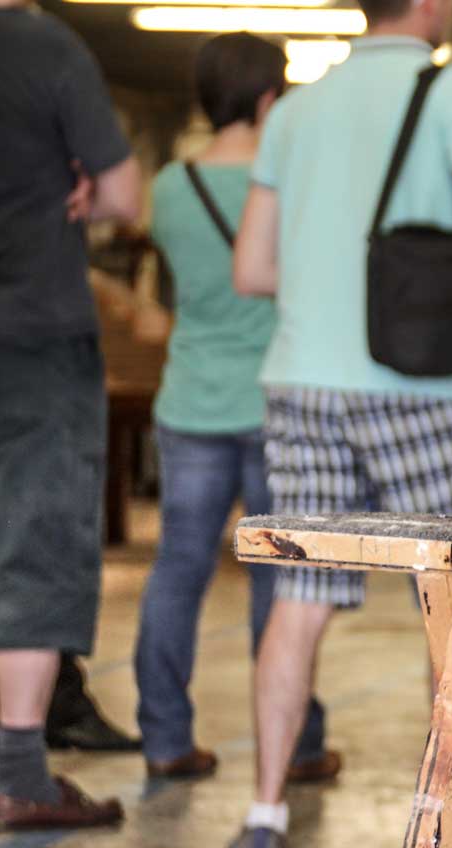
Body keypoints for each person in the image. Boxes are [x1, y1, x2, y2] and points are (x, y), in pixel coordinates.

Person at [225, 0, 452, 848]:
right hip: (419, 387)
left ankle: (264, 814)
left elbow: (252, 267)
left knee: (299, 598)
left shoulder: (295, 108)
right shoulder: (451, 92)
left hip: (304, 381)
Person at [0, 0, 141, 829]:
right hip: (30, 327)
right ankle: (23, 772)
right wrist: (82, 189)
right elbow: (125, 195)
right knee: (37, 541)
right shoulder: (43, 46)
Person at [133, 33, 330, 783]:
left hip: (189, 399)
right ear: (268, 98)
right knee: (281, 576)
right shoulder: (288, 180)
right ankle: (297, 744)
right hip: (278, 401)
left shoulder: (168, 186)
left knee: (178, 568)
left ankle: (164, 737)